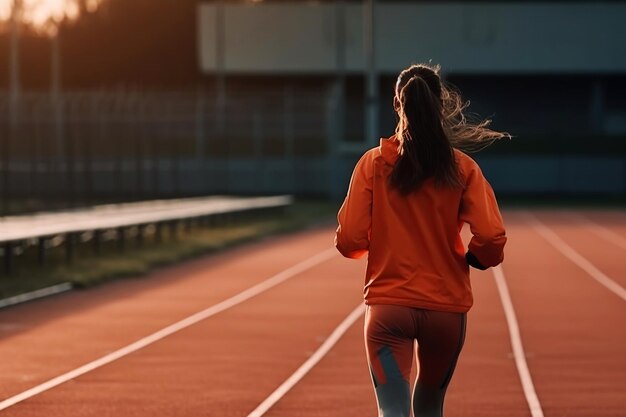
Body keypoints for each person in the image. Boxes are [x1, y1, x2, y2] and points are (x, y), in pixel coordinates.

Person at [335, 63, 509, 417]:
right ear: (441, 105)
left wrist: (381, 247)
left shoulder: (372, 164)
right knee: (430, 408)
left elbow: (349, 238)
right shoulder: (462, 168)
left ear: (397, 105)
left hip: (387, 313)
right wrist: (476, 258)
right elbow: (491, 237)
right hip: (445, 313)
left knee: (392, 410)